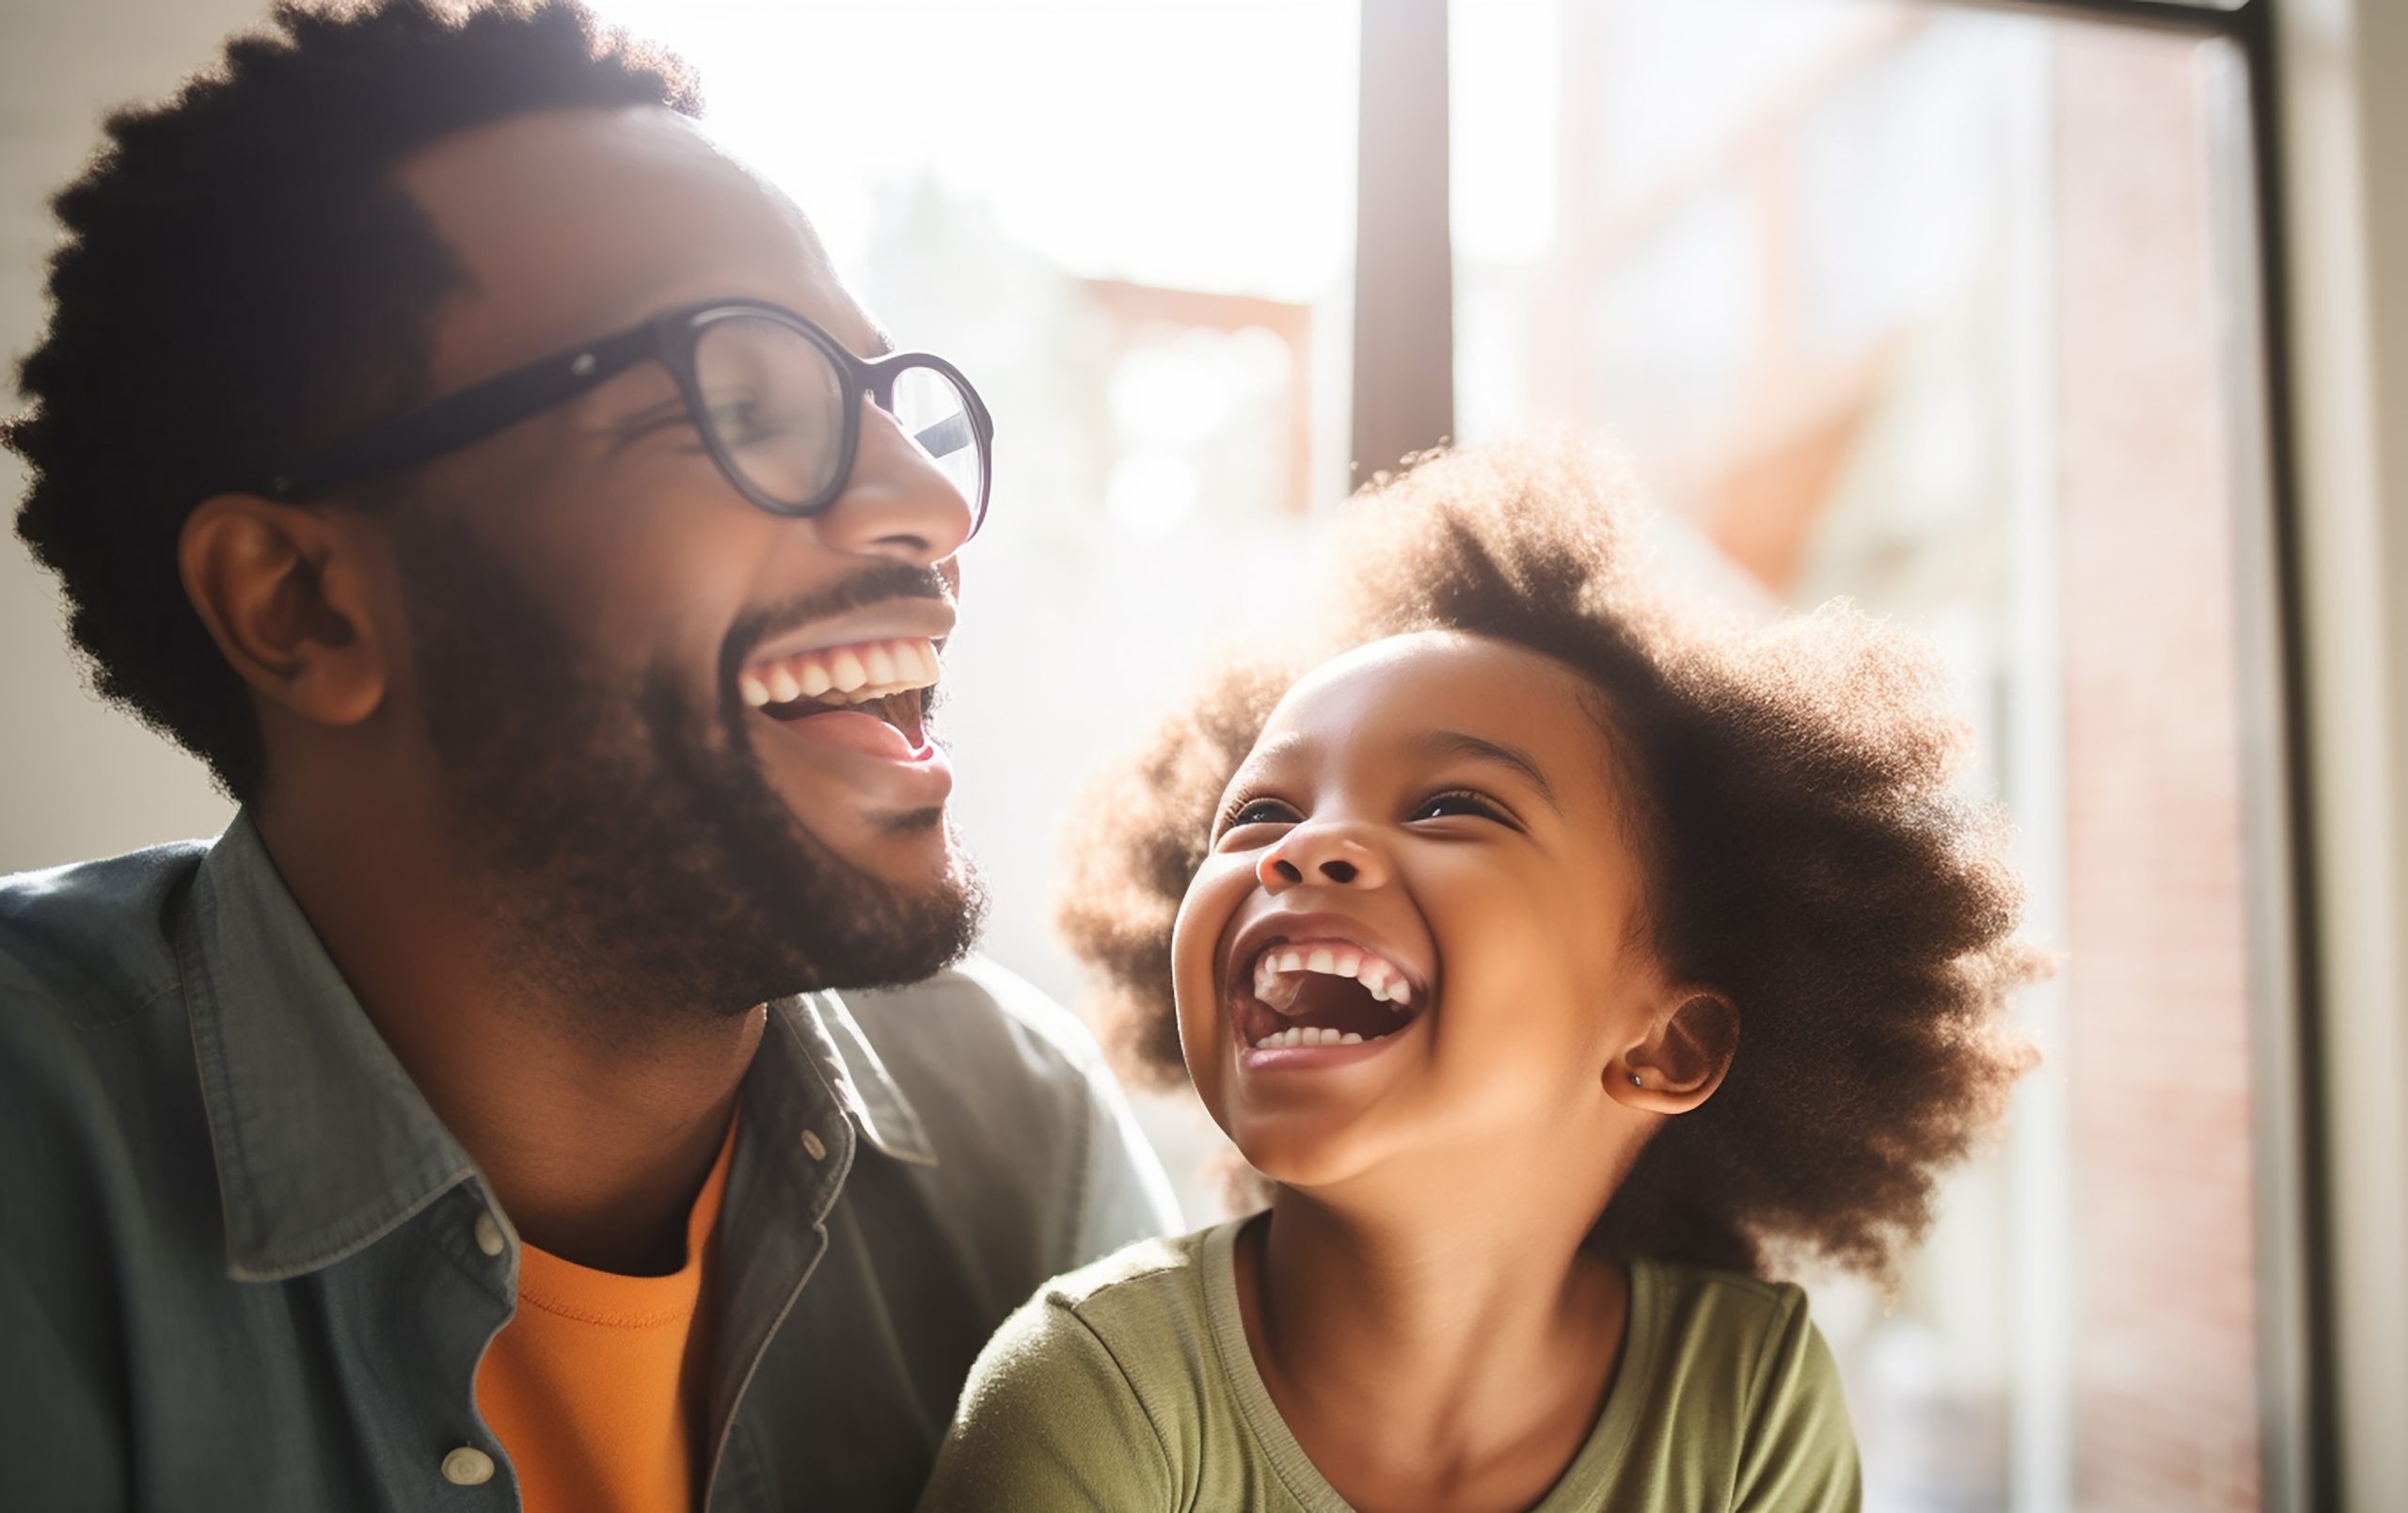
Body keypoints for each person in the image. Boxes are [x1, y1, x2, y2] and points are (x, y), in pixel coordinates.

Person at [0, 4, 1177, 1510]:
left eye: (886, 404)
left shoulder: (1015, 1129)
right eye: (740, 403)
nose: (929, 509)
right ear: (305, 606)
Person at [915, 440, 2048, 1512]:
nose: (1297, 849)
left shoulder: (1745, 1399)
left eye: (1455, 807)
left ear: (1665, 1047)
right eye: (1260, 812)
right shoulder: (1091, 1396)